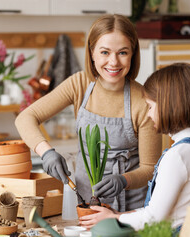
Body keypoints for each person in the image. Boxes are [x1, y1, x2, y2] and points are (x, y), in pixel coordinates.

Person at [15, 14, 162, 212]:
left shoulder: (144, 101)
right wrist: (46, 152)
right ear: (92, 52)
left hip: (130, 212)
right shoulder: (80, 84)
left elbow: (150, 168)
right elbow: (25, 118)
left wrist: (123, 180)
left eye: (123, 53)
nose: (113, 62)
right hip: (85, 205)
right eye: (104, 52)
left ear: (133, 54)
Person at [79, 63, 190, 232]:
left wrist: (114, 218)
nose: (148, 114)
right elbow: (164, 211)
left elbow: (153, 219)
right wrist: (118, 215)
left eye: (150, 106)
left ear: (169, 105)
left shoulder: (178, 155)